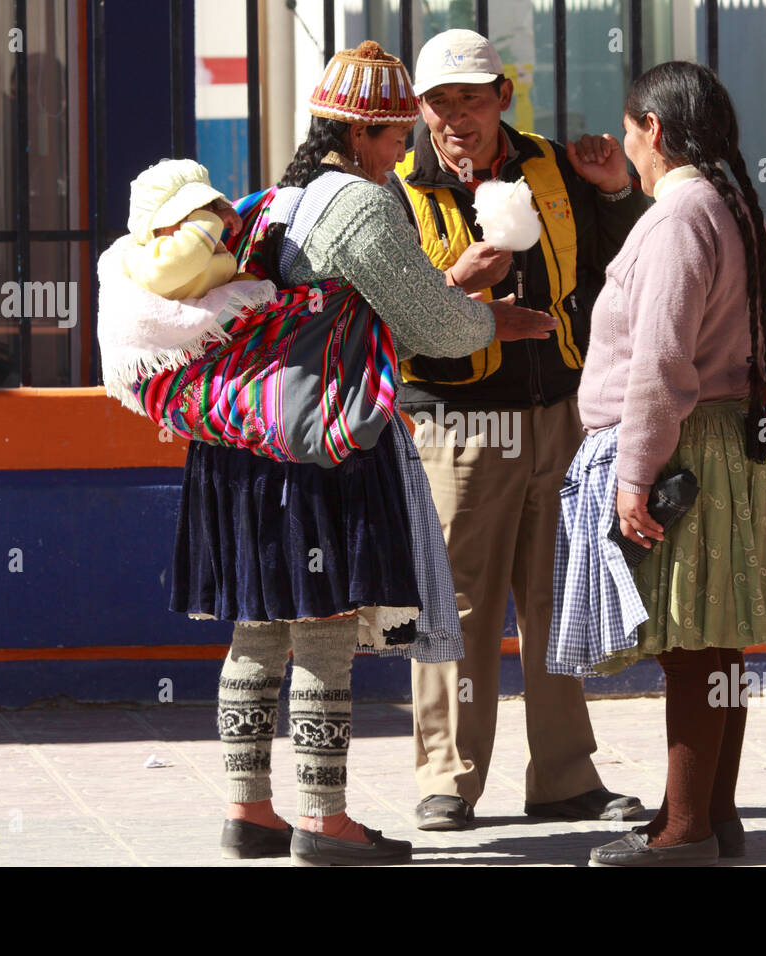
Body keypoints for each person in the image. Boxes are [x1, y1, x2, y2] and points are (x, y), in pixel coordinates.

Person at [155, 41, 557, 866]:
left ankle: (249, 810)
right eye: (399, 130)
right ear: (369, 131)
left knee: (258, 628)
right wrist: (488, 307)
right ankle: (324, 820)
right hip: (318, 449)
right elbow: (431, 328)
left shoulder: (273, 201)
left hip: (241, 443)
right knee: (325, 632)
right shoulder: (362, 207)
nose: (407, 146)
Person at [385, 29, 651, 830]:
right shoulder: (396, 191)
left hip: (557, 417)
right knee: (454, 607)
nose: (455, 118)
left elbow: (619, 263)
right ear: (420, 109)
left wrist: (613, 192)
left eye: (471, 98)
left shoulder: (552, 165)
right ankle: (447, 779)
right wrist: (457, 294)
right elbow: (382, 321)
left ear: (503, 95)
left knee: (557, 598)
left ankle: (565, 777)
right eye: (439, 103)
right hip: (458, 429)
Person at [551, 61, 766, 866]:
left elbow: (660, 363)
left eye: (629, 133)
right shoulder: (734, 209)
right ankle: (710, 817)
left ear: (652, 130)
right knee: (717, 642)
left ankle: (685, 833)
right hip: (733, 443)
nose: (628, 147)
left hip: (680, 448)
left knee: (690, 644)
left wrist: (632, 474)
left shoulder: (676, 217)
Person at [121, 159, 239, 300]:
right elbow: (180, 260)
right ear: (155, 230)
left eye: (206, 207)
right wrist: (208, 221)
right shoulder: (147, 260)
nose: (195, 220)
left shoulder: (210, 249)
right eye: (186, 214)